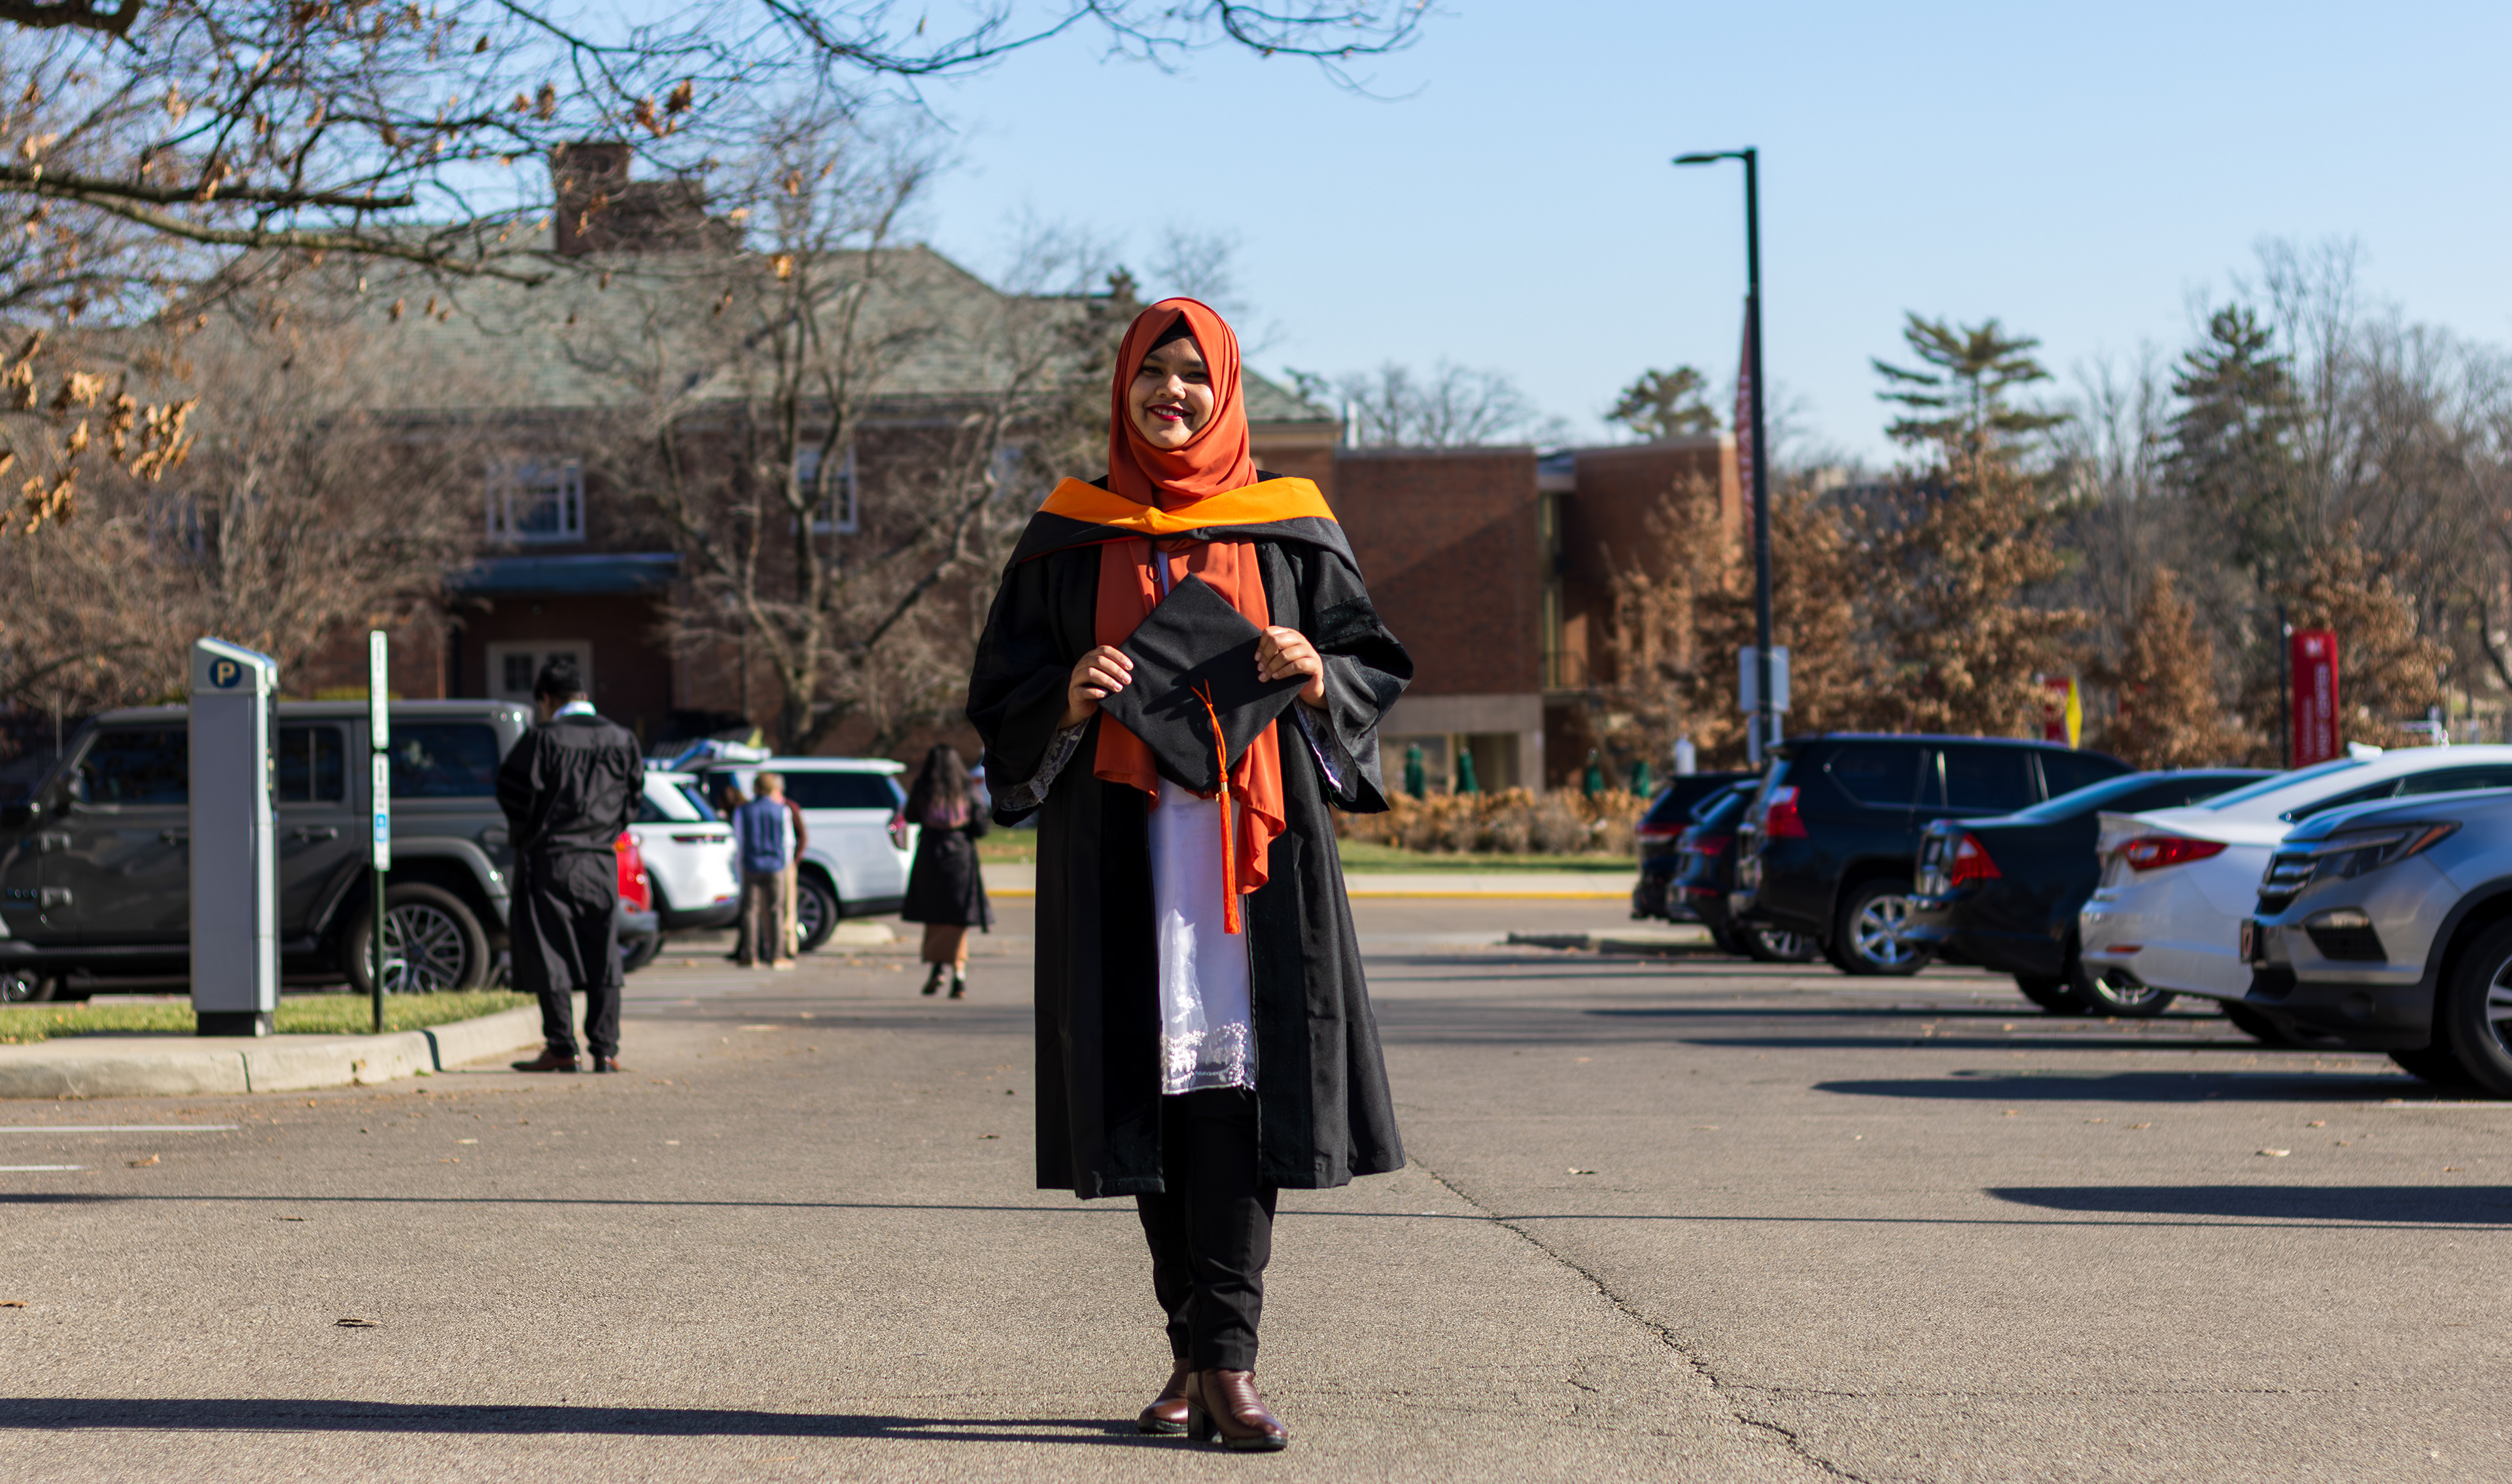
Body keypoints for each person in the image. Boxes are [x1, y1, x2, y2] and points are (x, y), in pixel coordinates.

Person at [968, 299, 1412, 1452]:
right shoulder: (1070, 533)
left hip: (1255, 862)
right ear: (1123, 387)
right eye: (1152, 372)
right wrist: (1065, 695)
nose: (1173, 392)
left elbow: (1368, 664)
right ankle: (1190, 1349)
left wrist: (1317, 673)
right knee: (1149, 1099)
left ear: (1227, 391)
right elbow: (1000, 695)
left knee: (1238, 1105)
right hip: (1122, 849)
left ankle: (1228, 1359)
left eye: (1194, 374)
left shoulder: (1289, 527)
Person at [496, 659, 644, 1074]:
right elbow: (633, 799)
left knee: (550, 951)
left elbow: (512, 795)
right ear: (583, 694)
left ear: (546, 698)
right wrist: (605, 831)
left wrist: (528, 833)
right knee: (603, 950)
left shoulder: (541, 739)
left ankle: (562, 1047)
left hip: (550, 860)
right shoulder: (623, 739)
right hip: (600, 859)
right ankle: (606, 1049)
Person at [899, 744, 992, 999]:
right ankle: (959, 974)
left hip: (931, 854)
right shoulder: (966, 788)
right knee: (958, 917)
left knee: (935, 915)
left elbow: (911, 816)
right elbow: (981, 827)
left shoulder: (923, 788)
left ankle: (937, 969)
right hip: (960, 856)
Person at [733, 772, 797, 970]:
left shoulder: (743, 811)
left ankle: (750, 955)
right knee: (776, 910)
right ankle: (777, 955)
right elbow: (788, 841)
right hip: (775, 865)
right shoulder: (782, 810)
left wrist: (739, 865)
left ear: (756, 788)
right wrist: (784, 864)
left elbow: (739, 840)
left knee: (750, 910)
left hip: (751, 864)